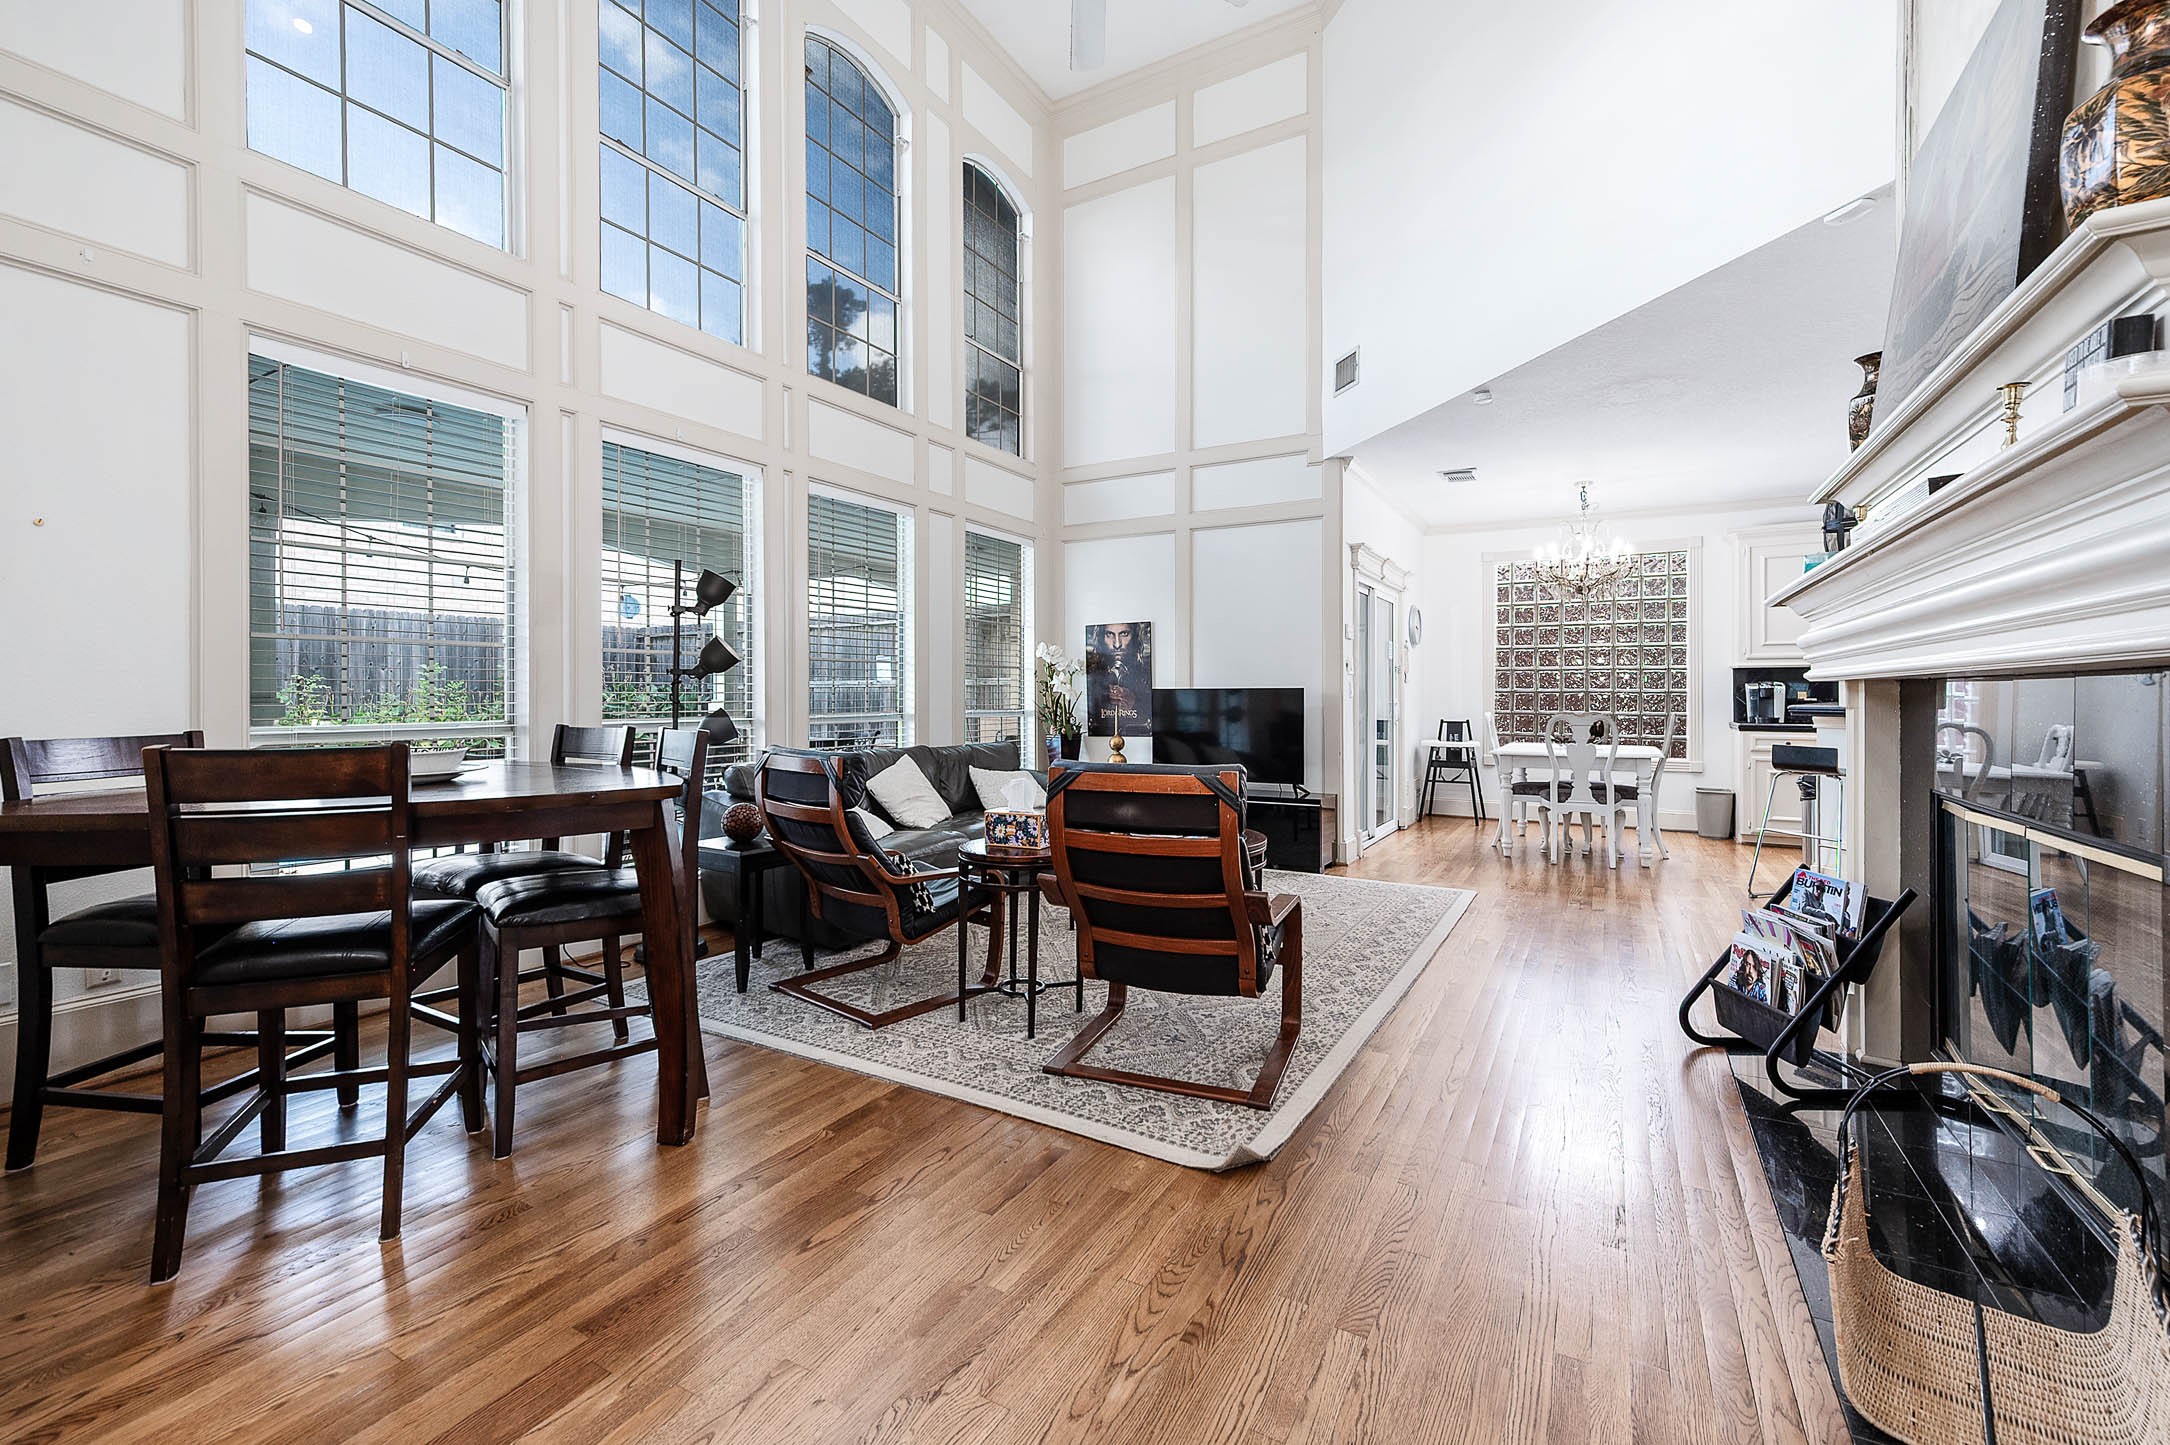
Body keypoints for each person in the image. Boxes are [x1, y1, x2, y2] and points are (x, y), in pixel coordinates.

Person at [1085, 622, 1149, 738]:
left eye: (1124, 634)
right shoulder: (1090, 678)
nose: (1117, 644)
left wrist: (1135, 701)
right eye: (1109, 635)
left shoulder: (1146, 675)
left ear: (1134, 637)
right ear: (1101, 638)